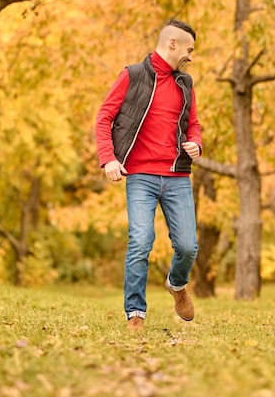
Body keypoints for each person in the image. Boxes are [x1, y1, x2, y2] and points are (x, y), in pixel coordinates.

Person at [95, 19, 202, 331]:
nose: (190, 56)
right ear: (172, 44)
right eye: (189, 49)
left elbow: (193, 123)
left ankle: (177, 284)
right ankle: (135, 314)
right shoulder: (132, 76)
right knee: (141, 241)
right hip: (140, 175)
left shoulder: (186, 84)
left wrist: (195, 142)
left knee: (187, 247)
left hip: (177, 176)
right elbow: (104, 117)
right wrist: (108, 159)